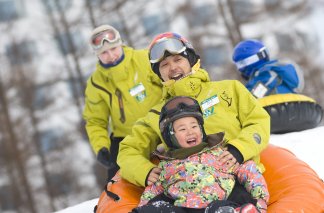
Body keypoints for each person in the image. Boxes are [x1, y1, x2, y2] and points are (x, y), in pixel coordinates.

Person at [117, 32, 270, 204]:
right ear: (159, 74)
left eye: (178, 60)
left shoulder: (228, 89)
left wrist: (239, 149)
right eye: (164, 65)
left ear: (190, 60)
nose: (173, 68)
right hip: (189, 191)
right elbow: (128, 151)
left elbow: (258, 120)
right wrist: (144, 172)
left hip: (235, 180)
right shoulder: (157, 114)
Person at [132, 96, 269, 213]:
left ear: (201, 130)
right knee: (160, 208)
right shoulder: (167, 165)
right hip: (184, 208)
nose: (190, 132)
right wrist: (144, 206)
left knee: (220, 208)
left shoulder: (217, 153)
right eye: (182, 129)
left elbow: (248, 170)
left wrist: (260, 199)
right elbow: (154, 188)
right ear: (170, 137)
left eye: (194, 126)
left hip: (217, 203)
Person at [83, 25, 163, 181]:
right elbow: (95, 121)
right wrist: (101, 147)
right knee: (116, 178)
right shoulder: (96, 83)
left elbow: (168, 84)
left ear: (121, 44)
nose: (111, 55)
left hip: (161, 124)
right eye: (104, 53)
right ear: (97, 55)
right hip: (128, 136)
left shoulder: (144, 59)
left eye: (114, 49)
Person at [232, 39, 304, 98]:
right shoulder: (276, 69)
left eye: (241, 63)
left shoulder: (267, 72)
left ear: (253, 60)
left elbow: (254, 96)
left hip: (281, 110)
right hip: (294, 108)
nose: (240, 69)